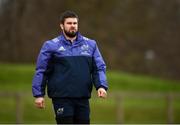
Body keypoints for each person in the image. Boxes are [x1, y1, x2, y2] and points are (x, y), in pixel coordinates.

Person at [32, 10, 108, 124]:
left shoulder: (91, 44)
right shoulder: (50, 46)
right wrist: (39, 95)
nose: (72, 26)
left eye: (75, 23)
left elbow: (99, 68)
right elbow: (41, 71)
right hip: (61, 98)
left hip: (82, 98)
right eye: (69, 23)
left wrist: (101, 86)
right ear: (62, 26)